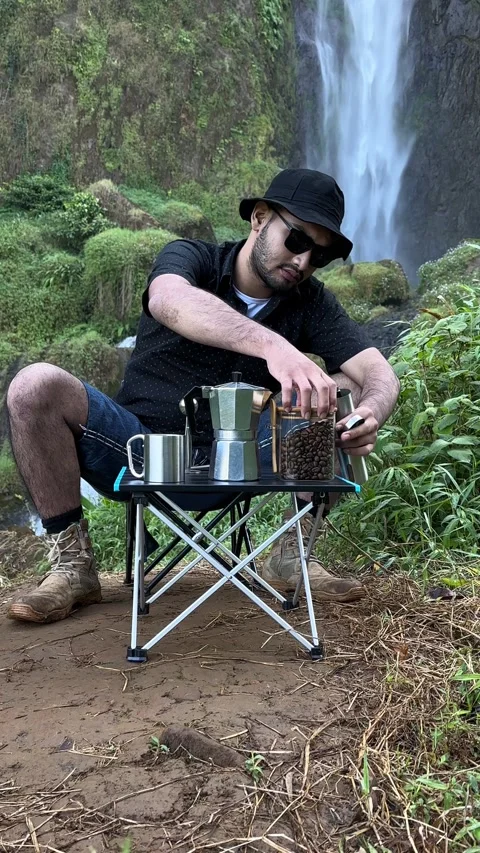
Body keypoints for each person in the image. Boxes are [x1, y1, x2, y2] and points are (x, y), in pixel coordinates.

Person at [6, 168, 399, 624]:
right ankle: (73, 568)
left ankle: (295, 552)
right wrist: (275, 347)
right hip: (143, 451)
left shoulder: (311, 300)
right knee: (33, 384)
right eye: (297, 240)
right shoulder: (191, 257)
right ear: (259, 218)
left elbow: (379, 372)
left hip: (249, 459)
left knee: (343, 390)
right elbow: (168, 301)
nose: (304, 261)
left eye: (320, 255)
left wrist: (367, 413)